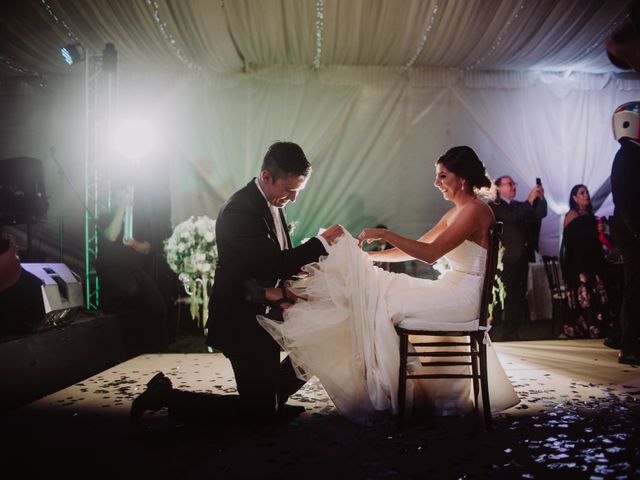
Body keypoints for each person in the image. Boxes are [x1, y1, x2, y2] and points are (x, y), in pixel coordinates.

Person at [257, 146, 520, 426]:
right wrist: (366, 258)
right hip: (451, 287)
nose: (436, 182)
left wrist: (384, 234)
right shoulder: (457, 212)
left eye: (442, 176)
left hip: (464, 296)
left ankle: (294, 299)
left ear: (462, 179)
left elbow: (430, 255)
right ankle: (298, 301)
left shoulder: (475, 211)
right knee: (375, 289)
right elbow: (414, 249)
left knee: (381, 298)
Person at [130, 141, 344, 425]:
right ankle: (165, 396)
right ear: (266, 177)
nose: (292, 199)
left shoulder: (271, 201)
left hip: (263, 315)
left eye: (297, 192)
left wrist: (303, 278)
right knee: (256, 415)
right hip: (239, 322)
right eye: (289, 190)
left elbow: (272, 262)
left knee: (312, 346)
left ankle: (273, 399)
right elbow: (272, 262)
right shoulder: (239, 210)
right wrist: (320, 244)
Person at [96, 182, 170, 353]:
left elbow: (147, 248)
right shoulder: (106, 217)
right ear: (114, 200)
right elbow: (112, 235)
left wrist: (134, 244)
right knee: (129, 289)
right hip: (112, 269)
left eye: (126, 197)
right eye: (119, 197)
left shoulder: (140, 220)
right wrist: (121, 209)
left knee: (155, 298)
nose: (124, 200)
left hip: (135, 270)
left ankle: (158, 348)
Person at [490, 176, 547, 340]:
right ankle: (490, 332)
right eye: (509, 184)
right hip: (504, 261)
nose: (514, 186)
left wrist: (540, 198)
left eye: (514, 183)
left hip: (521, 259)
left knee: (517, 297)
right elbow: (511, 217)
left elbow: (539, 214)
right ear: (499, 188)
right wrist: (529, 200)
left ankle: (511, 334)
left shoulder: (518, 206)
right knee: (498, 298)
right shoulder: (495, 205)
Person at [560, 184, 614, 339]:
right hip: (579, 263)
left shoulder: (590, 215)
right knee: (584, 292)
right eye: (582, 193)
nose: (586, 195)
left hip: (592, 261)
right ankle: (587, 326)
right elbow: (571, 241)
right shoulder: (571, 215)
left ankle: (602, 324)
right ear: (575, 198)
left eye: (587, 192)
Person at [610, 101, 640, 365]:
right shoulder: (628, 155)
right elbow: (626, 199)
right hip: (633, 232)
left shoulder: (630, 153)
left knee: (633, 286)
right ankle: (629, 345)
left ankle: (621, 337)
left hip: (631, 230)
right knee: (635, 287)